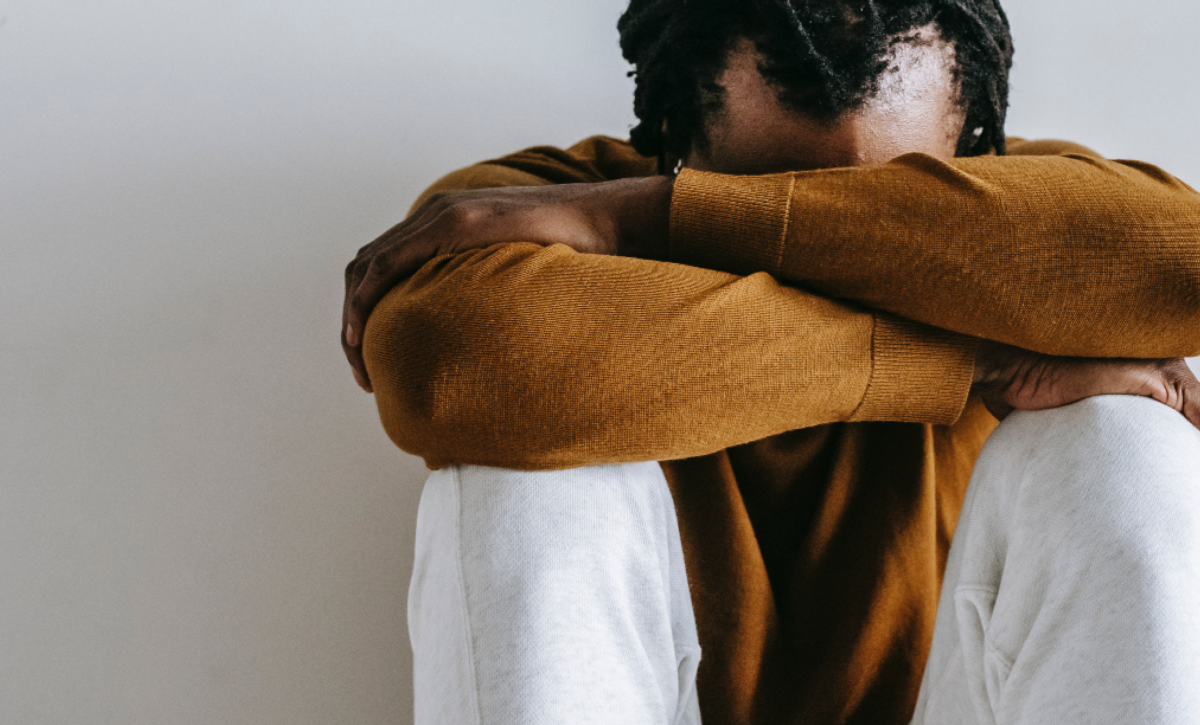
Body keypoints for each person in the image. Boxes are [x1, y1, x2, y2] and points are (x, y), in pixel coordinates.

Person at [342, 1, 1200, 723]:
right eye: (771, 189)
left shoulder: (1023, 215)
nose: (818, 223)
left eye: (893, 200)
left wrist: (657, 218)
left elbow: (1185, 260)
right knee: (518, 478)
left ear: (969, 150)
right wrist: (968, 354)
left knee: (1126, 441)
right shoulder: (529, 209)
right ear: (677, 141)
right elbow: (449, 364)